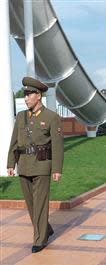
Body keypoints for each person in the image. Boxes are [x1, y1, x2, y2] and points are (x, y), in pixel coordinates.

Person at [7, 77, 64, 253]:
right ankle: (45, 228)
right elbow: (14, 142)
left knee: (40, 203)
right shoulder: (21, 116)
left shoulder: (51, 117)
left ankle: (40, 239)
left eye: (29, 95)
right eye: (25, 95)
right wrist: (10, 163)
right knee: (31, 204)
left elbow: (57, 145)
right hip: (23, 165)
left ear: (38, 96)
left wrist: (56, 169)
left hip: (41, 165)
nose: (25, 98)